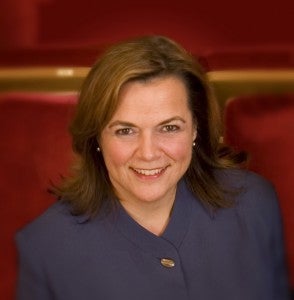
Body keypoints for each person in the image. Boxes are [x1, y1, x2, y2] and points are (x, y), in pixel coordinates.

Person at [15, 35, 291, 300]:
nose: (148, 153)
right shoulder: (44, 249)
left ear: (196, 128)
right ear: (96, 136)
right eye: (125, 130)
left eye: (169, 128)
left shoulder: (256, 204)